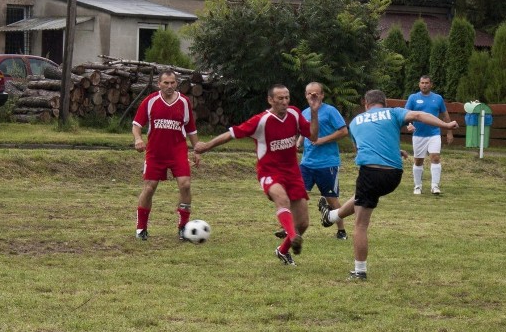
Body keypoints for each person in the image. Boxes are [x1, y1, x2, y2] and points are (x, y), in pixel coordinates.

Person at [319, 89, 458, 280]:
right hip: (394, 176)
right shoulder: (393, 112)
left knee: (360, 224)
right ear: (384, 102)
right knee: (362, 196)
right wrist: (446, 124)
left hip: (370, 172)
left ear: (365, 104)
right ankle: (332, 216)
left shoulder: (355, 122)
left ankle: (360, 271)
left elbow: (361, 148)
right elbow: (418, 115)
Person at [196, 84, 321, 266]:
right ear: (270, 100)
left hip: (293, 173)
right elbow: (231, 134)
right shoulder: (260, 121)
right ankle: (293, 237)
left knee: (302, 223)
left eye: (287, 98)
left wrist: (314, 112)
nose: (285, 102)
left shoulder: (294, 114)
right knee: (282, 199)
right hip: (269, 172)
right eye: (280, 98)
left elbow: (314, 137)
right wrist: (206, 146)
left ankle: (283, 250)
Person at [132, 69, 200, 241]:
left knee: (185, 185)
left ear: (176, 83)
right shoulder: (150, 101)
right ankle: (141, 228)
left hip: (178, 152)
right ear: (159, 84)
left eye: (172, 83)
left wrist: (196, 150)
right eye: (166, 83)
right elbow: (137, 124)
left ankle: (183, 227)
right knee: (149, 188)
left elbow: (191, 129)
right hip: (155, 153)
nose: (169, 86)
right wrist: (138, 139)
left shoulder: (184, 102)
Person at [297, 82, 349, 240]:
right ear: (305, 95)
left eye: (316, 93)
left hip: (327, 163)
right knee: (298, 195)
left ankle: (341, 231)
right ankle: (293, 229)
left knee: (331, 198)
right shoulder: (305, 112)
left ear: (322, 95)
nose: (312, 96)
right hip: (307, 163)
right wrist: (299, 142)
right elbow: (305, 131)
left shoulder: (330, 111)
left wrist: (322, 140)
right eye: (309, 94)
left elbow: (344, 131)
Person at [405, 75, 453, 195]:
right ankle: (417, 186)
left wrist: (449, 131)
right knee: (418, 161)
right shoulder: (413, 98)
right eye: (422, 83)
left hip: (434, 133)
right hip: (418, 135)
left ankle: (435, 186)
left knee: (435, 157)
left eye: (427, 83)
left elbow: (445, 115)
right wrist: (409, 124)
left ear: (431, 84)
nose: (424, 85)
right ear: (419, 84)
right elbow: (406, 114)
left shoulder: (438, 98)